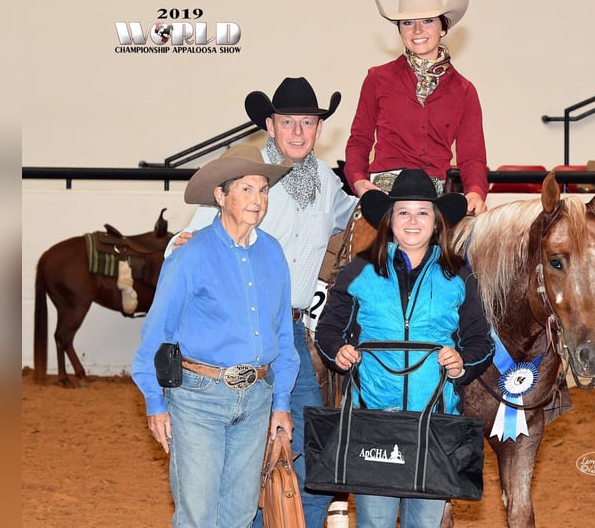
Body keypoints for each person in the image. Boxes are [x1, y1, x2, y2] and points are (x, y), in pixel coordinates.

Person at [167, 76, 358, 528]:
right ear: (270, 125)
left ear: (318, 129)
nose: (297, 131)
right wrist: (183, 246)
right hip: (233, 332)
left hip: (289, 332)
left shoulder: (328, 186)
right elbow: (185, 240)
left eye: (307, 122)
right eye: (288, 122)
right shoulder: (243, 178)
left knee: (310, 450)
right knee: (243, 451)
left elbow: (359, 220)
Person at [314, 168, 495, 528]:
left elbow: (479, 342)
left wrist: (461, 363)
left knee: (426, 523)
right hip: (374, 421)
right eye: (404, 212)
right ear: (390, 219)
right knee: (375, 521)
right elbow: (328, 330)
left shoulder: (459, 275)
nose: (413, 221)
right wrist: (339, 352)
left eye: (423, 212)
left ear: (436, 221)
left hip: (434, 420)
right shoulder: (359, 270)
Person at [131, 143, 299, 528]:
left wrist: (282, 402)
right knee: (198, 514)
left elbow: (281, 336)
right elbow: (157, 333)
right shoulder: (189, 256)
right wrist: (156, 403)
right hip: (197, 399)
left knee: (241, 513)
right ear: (220, 196)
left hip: (257, 397)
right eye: (245, 189)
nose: (257, 200)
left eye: (263, 190)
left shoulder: (273, 253)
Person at [344, 0, 489, 215]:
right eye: (408, 23)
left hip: (433, 196)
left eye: (427, 20)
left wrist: (475, 191)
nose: (417, 30)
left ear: (443, 28)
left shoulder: (464, 91)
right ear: (400, 30)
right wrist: (359, 181)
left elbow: (472, 156)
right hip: (383, 194)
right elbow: (359, 140)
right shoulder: (377, 79)